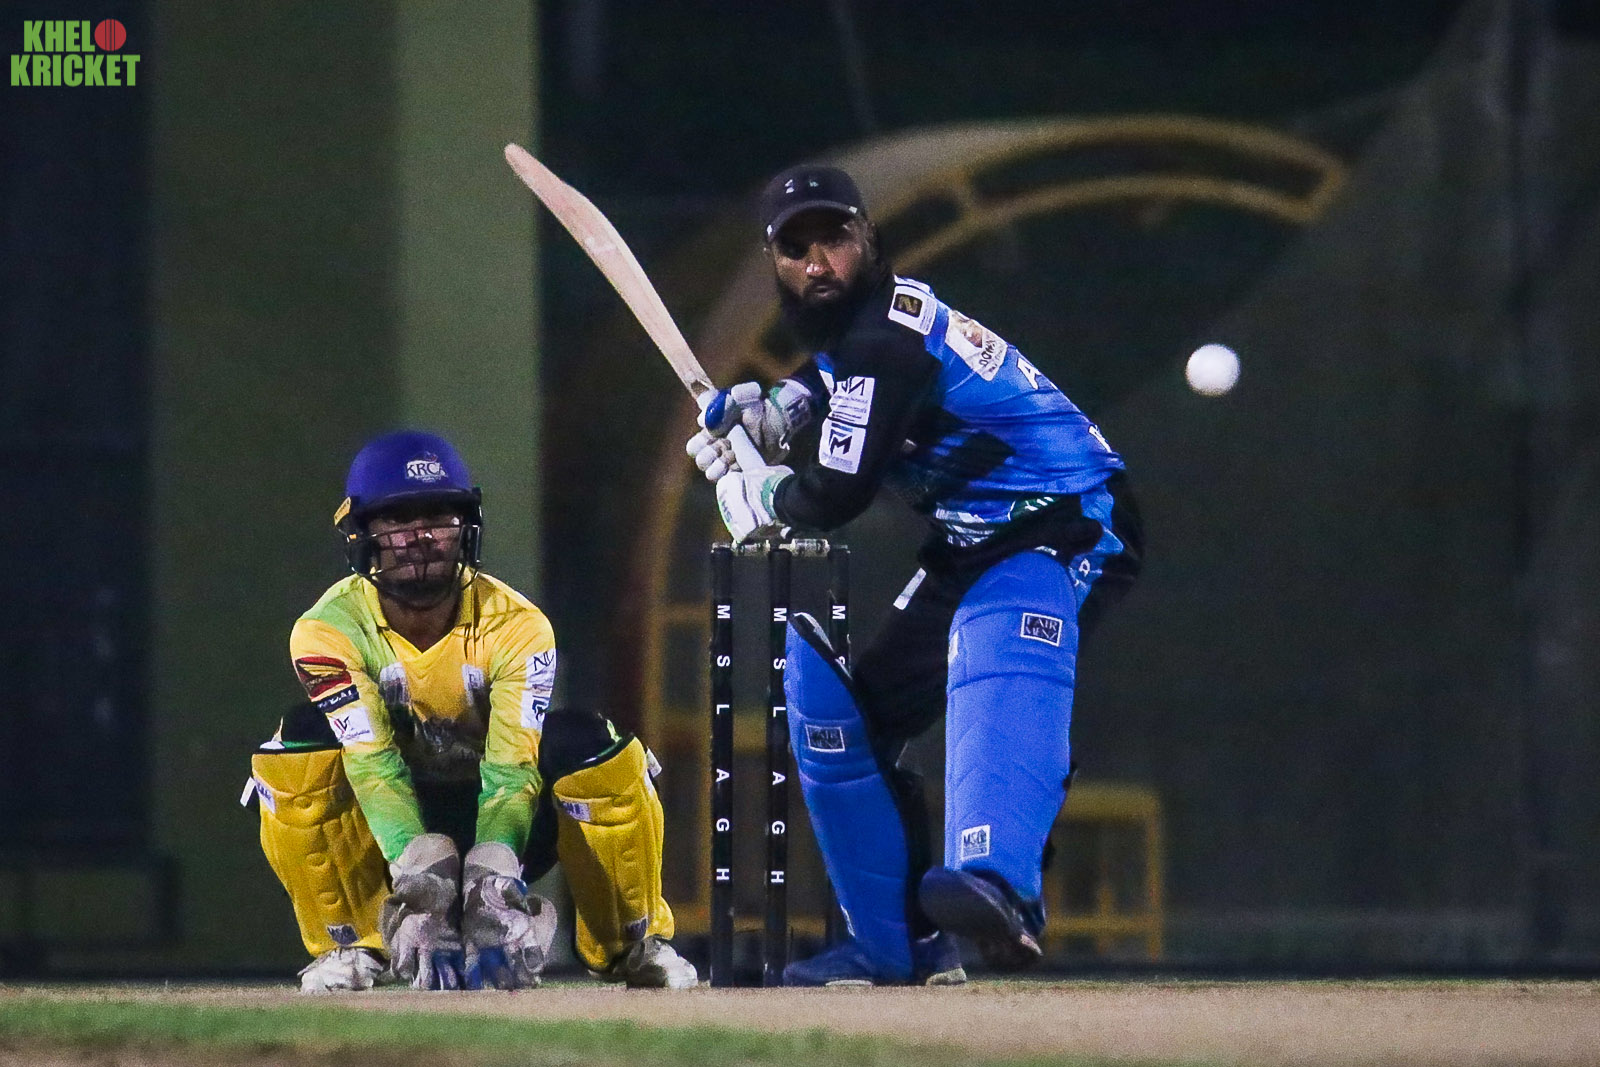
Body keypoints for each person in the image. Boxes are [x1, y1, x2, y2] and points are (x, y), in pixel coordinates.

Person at [687, 165, 1143, 986]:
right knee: (850, 724)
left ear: (868, 237)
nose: (818, 263)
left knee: (998, 643)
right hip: (973, 538)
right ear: (774, 261)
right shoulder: (863, 332)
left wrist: (762, 493)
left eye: (834, 239)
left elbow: (835, 493)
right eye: (796, 249)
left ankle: (1001, 887)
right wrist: (780, 407)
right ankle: (898, 944)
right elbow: (838, 380)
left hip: (1071, 513)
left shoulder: (883, 343)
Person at [247, 429, 697, 992]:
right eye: (397, 519)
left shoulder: (518, 625)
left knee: (591, 745)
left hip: (502, 817)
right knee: (300, 745)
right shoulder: (325, 631)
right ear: (361, 532)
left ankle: (633, 943)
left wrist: (492, 876)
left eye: (439, 516)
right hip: (390, 829)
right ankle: (351, 945)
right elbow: (373, 764)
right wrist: (417, 870)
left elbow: (513, 771)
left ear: (465, 527)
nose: (419, 537)